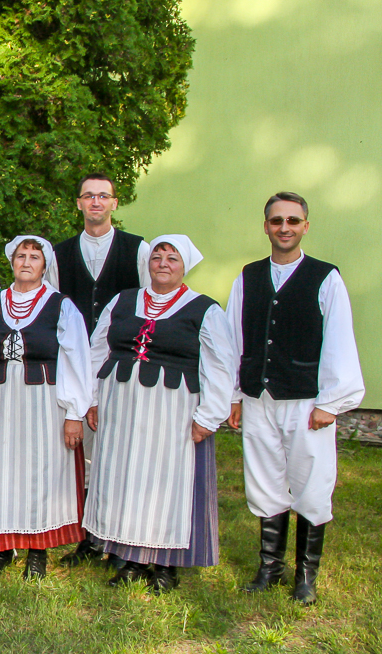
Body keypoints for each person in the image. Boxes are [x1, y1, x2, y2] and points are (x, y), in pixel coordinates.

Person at [227, 192, 363, 606]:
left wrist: (330, 402)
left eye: (292, 220)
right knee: (265, 480)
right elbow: (235, 338)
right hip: (259, 396)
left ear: (305, 226)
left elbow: (339, 340)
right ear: (265, 226)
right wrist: (234, 394)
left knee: (310, 483)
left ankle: (306, 575)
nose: (283, 227)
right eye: (276, 221)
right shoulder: (248, 276)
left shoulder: (325, 277)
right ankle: (270, 568)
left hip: (307, 400)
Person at [83, 236, 235, 594]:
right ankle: (131, 559)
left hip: (173, 410)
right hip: (122, 406)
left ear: (185, 266)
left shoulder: (204, 309)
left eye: (172, 258)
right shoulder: (122, 301)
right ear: (148, 263)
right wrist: (90, 398)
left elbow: (221, 366)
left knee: (166, 482)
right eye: (157, 256)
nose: (163, 263)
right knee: (126, 478)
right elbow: (96, 349)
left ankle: (166, 565)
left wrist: (209, 416)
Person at [0, 236, 92, 579]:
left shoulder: (61, 306)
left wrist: (74, 414)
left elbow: (78, 361)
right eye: (21, 256)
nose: (27, 262)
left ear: (45, 265)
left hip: (43, 402)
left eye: (34, 257)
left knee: (39, 471)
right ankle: (1, 546)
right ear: (11, 262)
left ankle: (37, 551)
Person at [49, 173, 152, 568]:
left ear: (114, 203)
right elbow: (54, 307)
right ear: (78, 203)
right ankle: (90, 538)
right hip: (78, 363)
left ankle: (124, 537)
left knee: (126, 448)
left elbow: (150, 300)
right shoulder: (59, 254)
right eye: (88, 196)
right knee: (89, 453)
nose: (95, 202)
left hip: (124, 361)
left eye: (103, 196)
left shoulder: (139, 250)